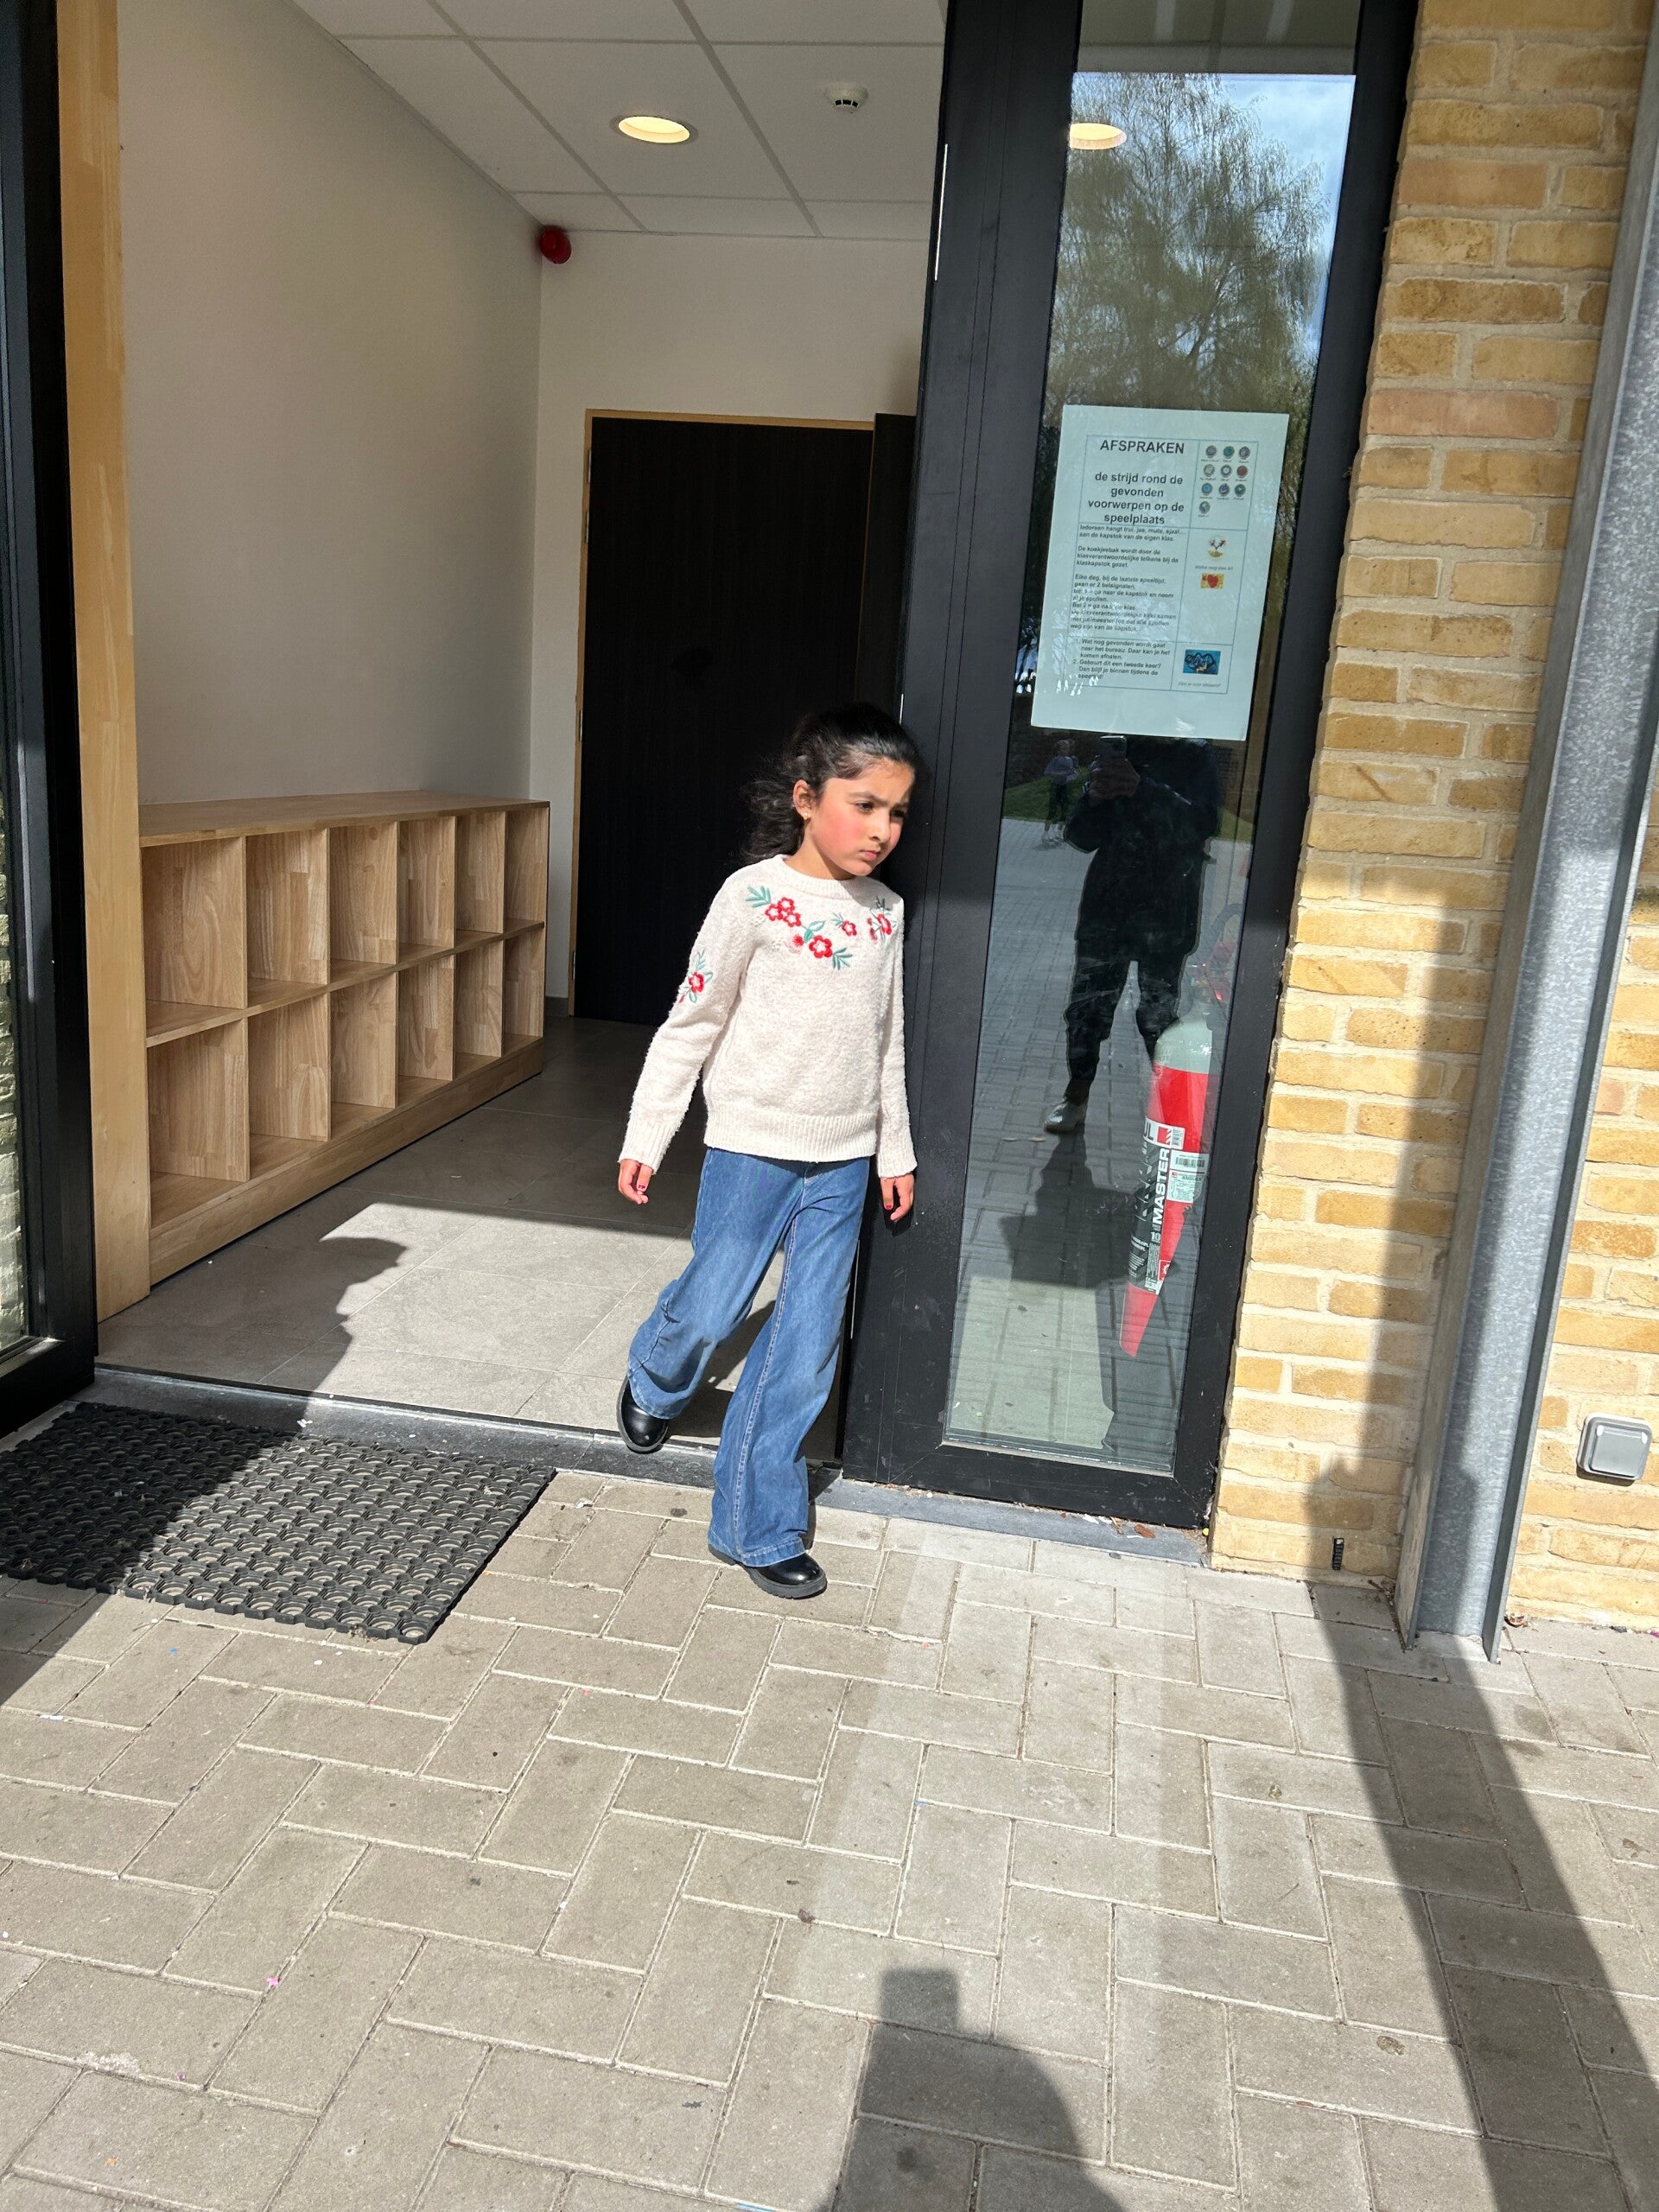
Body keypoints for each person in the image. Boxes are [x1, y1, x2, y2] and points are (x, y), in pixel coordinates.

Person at [614, 703, 920, 1602]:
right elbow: (692, 1023)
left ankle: (758, 1522)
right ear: (806, 798)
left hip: (843, 1161)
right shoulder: (749, 898)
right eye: (864, 805)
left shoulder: (886, 913)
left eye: (897, 813)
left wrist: (893, 1150)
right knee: (714, 1305)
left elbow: (888, 1042)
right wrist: (648, 1134)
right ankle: (656, 1375)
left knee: (806, 1344)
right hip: (752, 1149)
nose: (882, 830)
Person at [1044, 734, 1221, 1135]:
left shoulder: (1194, 753)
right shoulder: (1121, 750)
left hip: (1166, 909)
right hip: (1108, 909)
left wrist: (1142, 789)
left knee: (1157, 1015)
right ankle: (1076, 1094)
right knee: (1087, 1010)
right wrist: (1093, 798)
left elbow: (1202, 825)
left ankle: (1171, 1108)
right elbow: (1080, 837)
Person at [1039, 743, 1078, 842]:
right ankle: (1045, 832)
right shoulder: (1055, 760)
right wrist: (1061, 774)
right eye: (1063, 749)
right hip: (1056, 786)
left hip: (1064, 786)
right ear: (1058, 750)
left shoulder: (1069, 760)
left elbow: (1072, 772)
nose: (1066, 751)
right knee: (1053, 809)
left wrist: (1073, 775)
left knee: (1064, 809)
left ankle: (1059, 832)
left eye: (1067, 748)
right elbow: (1048, 772)